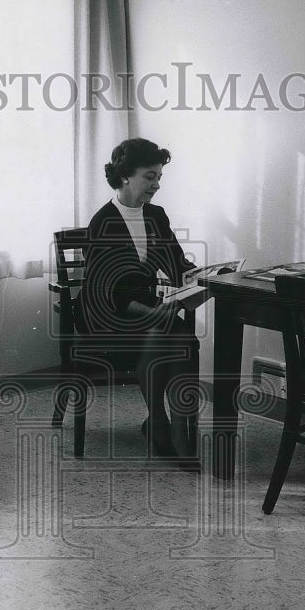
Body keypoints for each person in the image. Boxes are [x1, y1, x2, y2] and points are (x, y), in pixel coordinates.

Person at [75, 138, 200, 465]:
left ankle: (176, 428)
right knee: (163, 331)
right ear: (125, 176)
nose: (157, 184)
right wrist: (153, 312)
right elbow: (108, 293)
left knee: (182, 336)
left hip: (145, 309)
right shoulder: (103, 223)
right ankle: (161, 424)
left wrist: (203, 277)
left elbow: (176, 264)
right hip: (105, 313)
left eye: (159, 177)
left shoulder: (156, 216)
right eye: (150, 176)